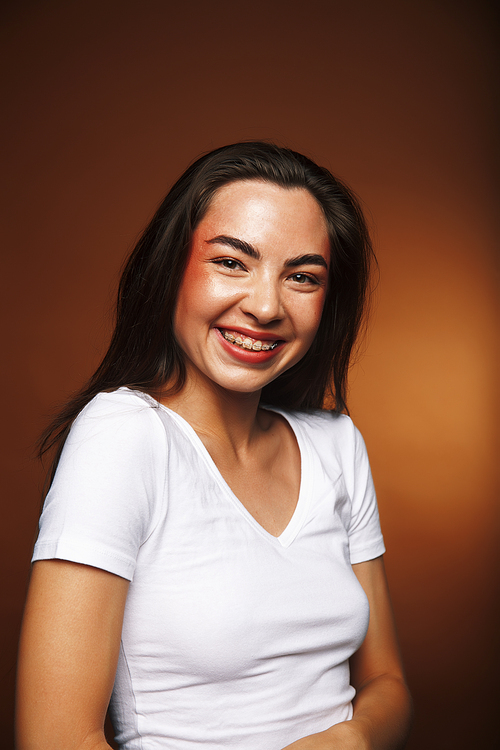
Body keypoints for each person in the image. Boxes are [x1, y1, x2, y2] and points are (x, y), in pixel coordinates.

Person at [16, 142, 412, 750]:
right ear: (172, 267)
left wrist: (345, 741)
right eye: (232, 262)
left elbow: (386, 683)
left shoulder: (337, 445)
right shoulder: (123, 435)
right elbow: (55, 738)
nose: (264, 305)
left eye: (302, 276)